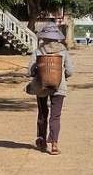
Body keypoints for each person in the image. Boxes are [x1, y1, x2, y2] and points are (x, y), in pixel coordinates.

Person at [27, 24, 73, 155]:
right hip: (59, 87)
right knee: (55, 116)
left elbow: (30, 71)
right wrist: (63, 76)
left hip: (41, 87)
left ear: (44, 38)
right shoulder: (64, 51)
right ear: (57, 38)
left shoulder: (38, 51)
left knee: (42, 114)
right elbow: (70, 71)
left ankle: (41, 141)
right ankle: (54, 144)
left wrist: (37, 70)